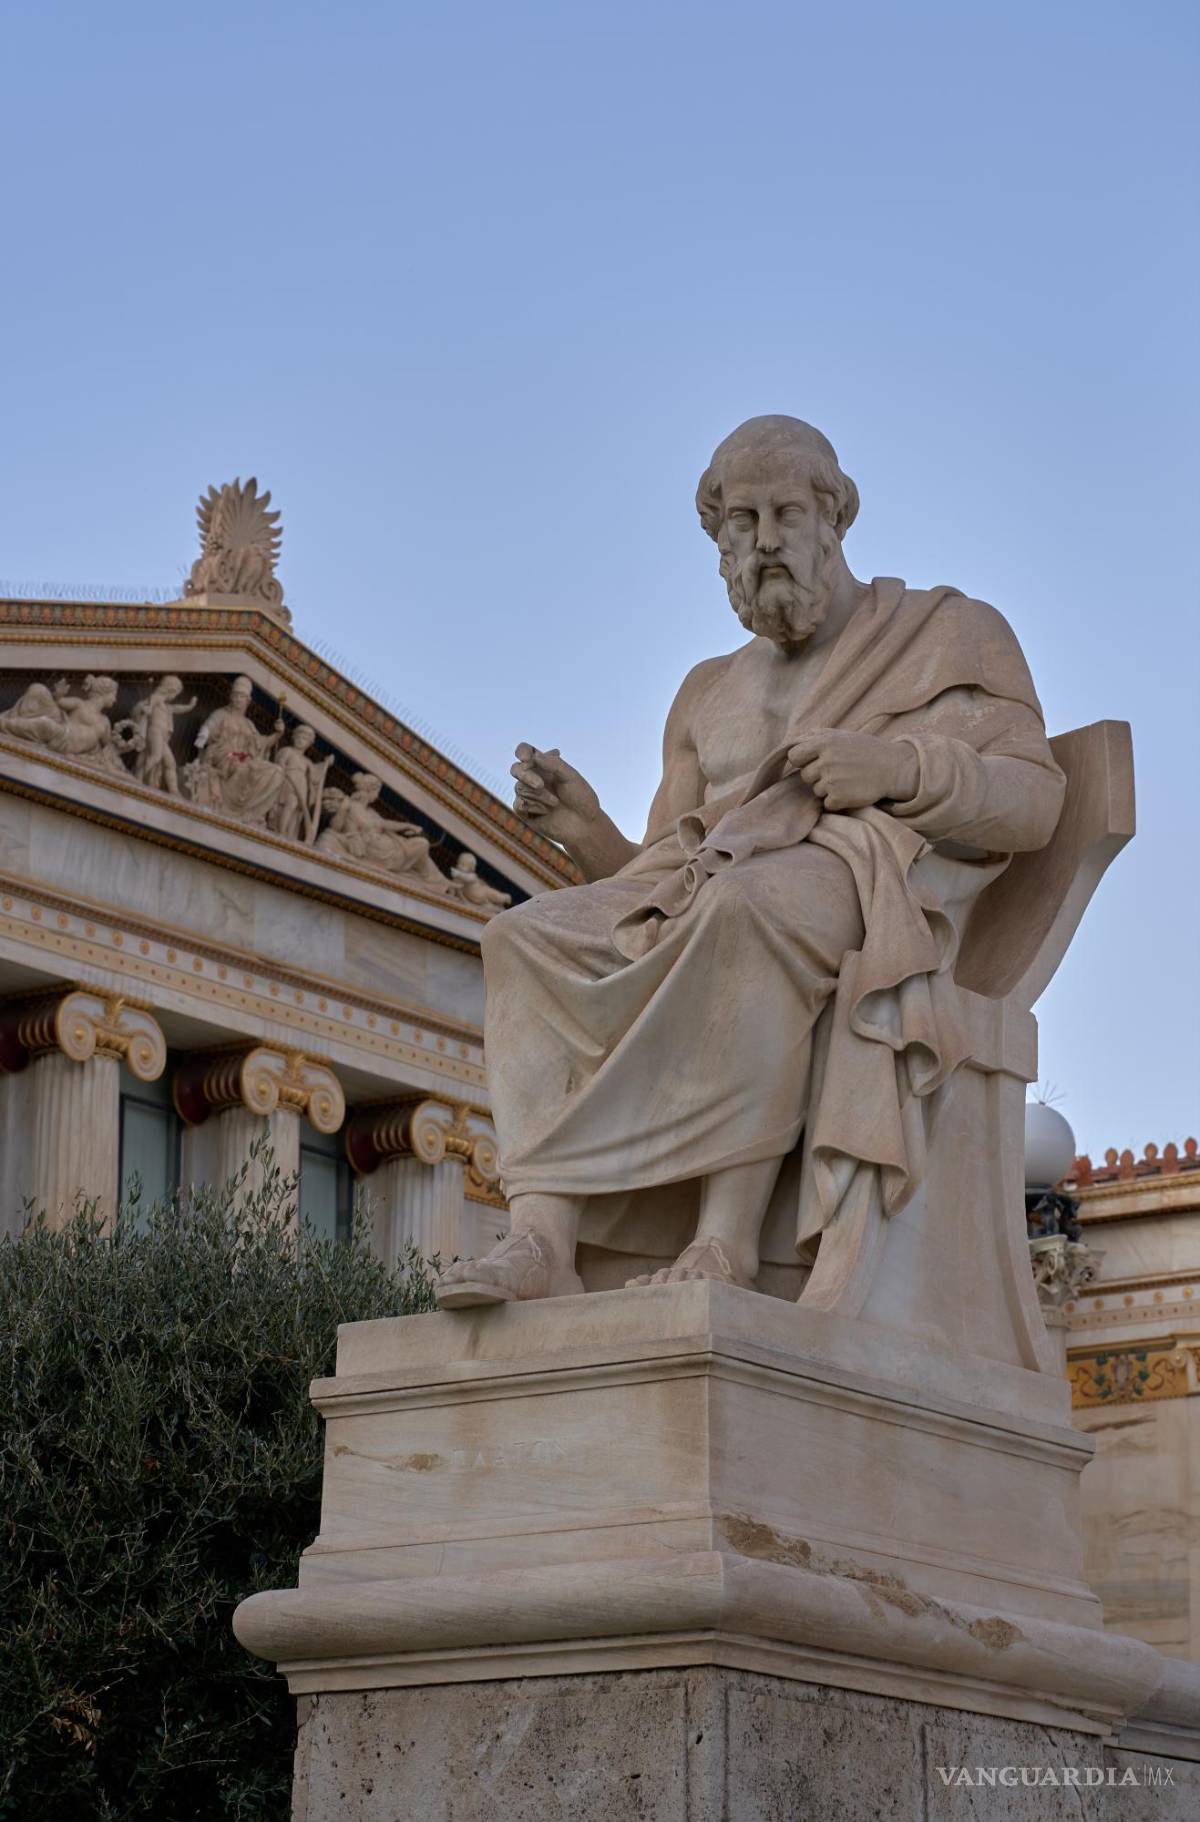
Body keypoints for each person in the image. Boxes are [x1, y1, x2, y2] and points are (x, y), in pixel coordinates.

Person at [437, 415, 1066, 1308]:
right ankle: (542, 1235)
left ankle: (724, 1240)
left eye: (784, 515)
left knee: (744, 906)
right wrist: (586, 832)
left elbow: (1034, 798)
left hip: (855, 880)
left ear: (835, 518)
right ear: (718, 540)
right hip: (717, 885)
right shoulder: (706, 692)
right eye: (741, 523)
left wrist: (896, 767)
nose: (765, 542)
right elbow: (656, 881)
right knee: (522, 938)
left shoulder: (947, 634)